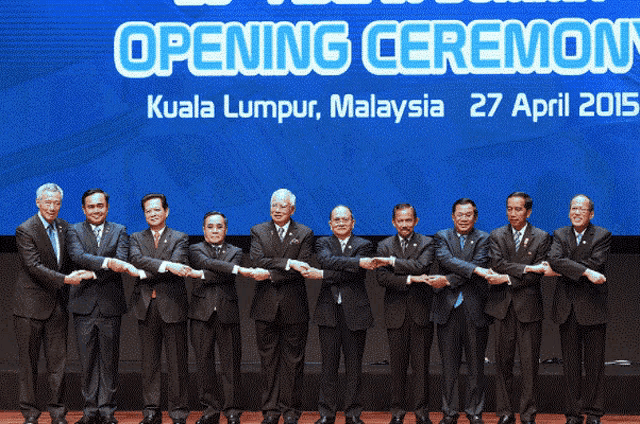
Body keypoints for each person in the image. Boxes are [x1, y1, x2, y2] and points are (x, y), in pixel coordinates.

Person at [13, 183, 93, 424]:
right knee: (29, 364)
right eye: (47, 202)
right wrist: (67, 279)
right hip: (29, 307)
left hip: (58, 305)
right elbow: (34, 267)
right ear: (38, 202)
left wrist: (91, 270)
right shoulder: (25, 229)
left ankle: (58, 413)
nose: (52, 207)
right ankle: (30, 414)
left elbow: (72, 260)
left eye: (56, 203)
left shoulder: (64, 227)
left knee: (58, 364)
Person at [188, 211, 270, 424]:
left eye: (219, 227)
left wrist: (203, 274)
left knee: (231, 365)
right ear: (203, 229)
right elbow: (207, 263)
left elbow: (221, 272)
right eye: (210, 227)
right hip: (200, 314)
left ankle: (232, 411)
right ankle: (210, 411)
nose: (215, 230)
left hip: (228, 314)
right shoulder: (195, 249)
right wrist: (238, 270)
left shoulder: (236, 250)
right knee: (204, 365)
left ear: (226, 229)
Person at [67, 189, 140, 424]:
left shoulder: (119, 231)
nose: (96, 210)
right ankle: (90, 411)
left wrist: (93, 273)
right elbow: (78, 257)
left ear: (107, 208)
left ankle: (107, 410)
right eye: (91, 206)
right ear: (83, 209)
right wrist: (106, 263)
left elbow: (122, 260)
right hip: (83, 304)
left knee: (109, 360)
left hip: (110, 304)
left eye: (100, 206)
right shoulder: (74, 231)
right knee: (87, 361)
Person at [129, 193, 198, 424]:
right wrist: (166, 265)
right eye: (148, 211)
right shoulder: (136, 237)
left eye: (156, 210)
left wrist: (151, 268)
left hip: (173, 306)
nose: (152, 214)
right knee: (149, 363)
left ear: (166, 211)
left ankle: (178, 413)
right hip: (145, 306)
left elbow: (175, 263)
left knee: (177, 363)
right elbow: (136, 258)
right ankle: (151, 412)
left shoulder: (180, 237)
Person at [484, 192, 552, 424]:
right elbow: (497, 264)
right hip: (502, 307)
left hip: (529, 308)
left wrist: (507, 278)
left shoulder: (542, 237)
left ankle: (528, 413)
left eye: (518, 209)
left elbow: (538, 275)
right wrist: (527, 269)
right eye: (509, 209)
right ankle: (504, 412)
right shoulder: (496, 235)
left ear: (528, 212)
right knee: (502, 363)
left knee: (529, 364)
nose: (513, 214)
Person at [249, 188, 315, 424]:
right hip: (265, 307)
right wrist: (289, 262)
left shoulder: (305, 233)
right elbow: (257, 260)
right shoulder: (258, 231)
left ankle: (291, 411)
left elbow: (304, 268)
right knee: (268, 362)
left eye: (282, 206)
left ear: (292, 209)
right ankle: (270, 411)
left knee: (294, 362)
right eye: (273, 205)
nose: (277, 210)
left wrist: (271, 274)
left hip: (294, 307)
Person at [306, 205, 377, 424]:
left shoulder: (363, 245)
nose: (340, 222)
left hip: (356, 313)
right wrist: (353, 263)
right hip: (329, 312)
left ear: (353, 222)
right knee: (328, 365)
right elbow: (327, 261)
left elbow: (355, 274)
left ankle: (353, 413)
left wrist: (324, 275)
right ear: (330, 224)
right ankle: (327, 414)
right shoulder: (322, 243)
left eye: (344, 219)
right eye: (336, 220)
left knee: (354, 365)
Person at [376, 204, 445, 424]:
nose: (404, 225)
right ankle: (397, 412)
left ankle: (422, 413)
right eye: (400, 220)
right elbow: (382, 278)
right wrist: (408, 279)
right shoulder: (384, 245)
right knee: (397, 367)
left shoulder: (427, 243)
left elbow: (421, 266)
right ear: (393, 222)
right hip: (395, 313)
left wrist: (394, 263)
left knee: (421, 367)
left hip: (420, 313)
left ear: (416, 221)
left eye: (408, 220)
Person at [547, 195, 611, 424]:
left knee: (594, 365)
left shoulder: (602, 235)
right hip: (567, 308)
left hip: (593, 308)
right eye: (573, 208)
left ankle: (594, 413)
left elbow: (596, 262)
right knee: (570, 365)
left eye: (581, 209)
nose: (576, 212)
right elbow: (554, 259)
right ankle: (573, 413)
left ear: (591, 214)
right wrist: (585, 273)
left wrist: (567, 266)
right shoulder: (560, 234)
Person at [432, 198, 491, 424]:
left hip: (475, 308)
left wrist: (447, 280)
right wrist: (474, 270)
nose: (464, 218)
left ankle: (475, 411)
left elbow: (481, 263)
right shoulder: (441, 237)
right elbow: (445, 260)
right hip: (447, 309)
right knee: (448, 365)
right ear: (453, 216)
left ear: (475, 217)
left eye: (468, 215)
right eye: (460, 214)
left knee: (476, 364)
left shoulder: (485, 238)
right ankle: (449, 412)